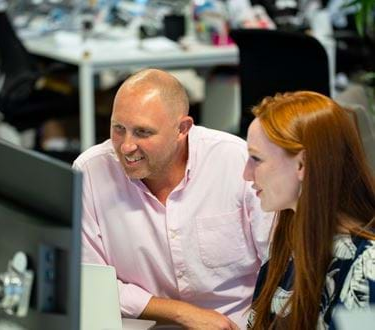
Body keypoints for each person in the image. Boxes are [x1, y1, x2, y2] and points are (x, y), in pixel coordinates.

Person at [73, 69, 273, 329]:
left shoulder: (235, 162)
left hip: (236, 323)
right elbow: (88, 281)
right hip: (141, 325)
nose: (126, 146)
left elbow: (280, 263)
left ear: (182, 129)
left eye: (143, 132)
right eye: (119, 128)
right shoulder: (90, 171)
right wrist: (180, 313)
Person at [244, 91, 375, 329]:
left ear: (302, 164)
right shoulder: (289, 241)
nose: (246, 174)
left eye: (256, 159)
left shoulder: (367, 268)